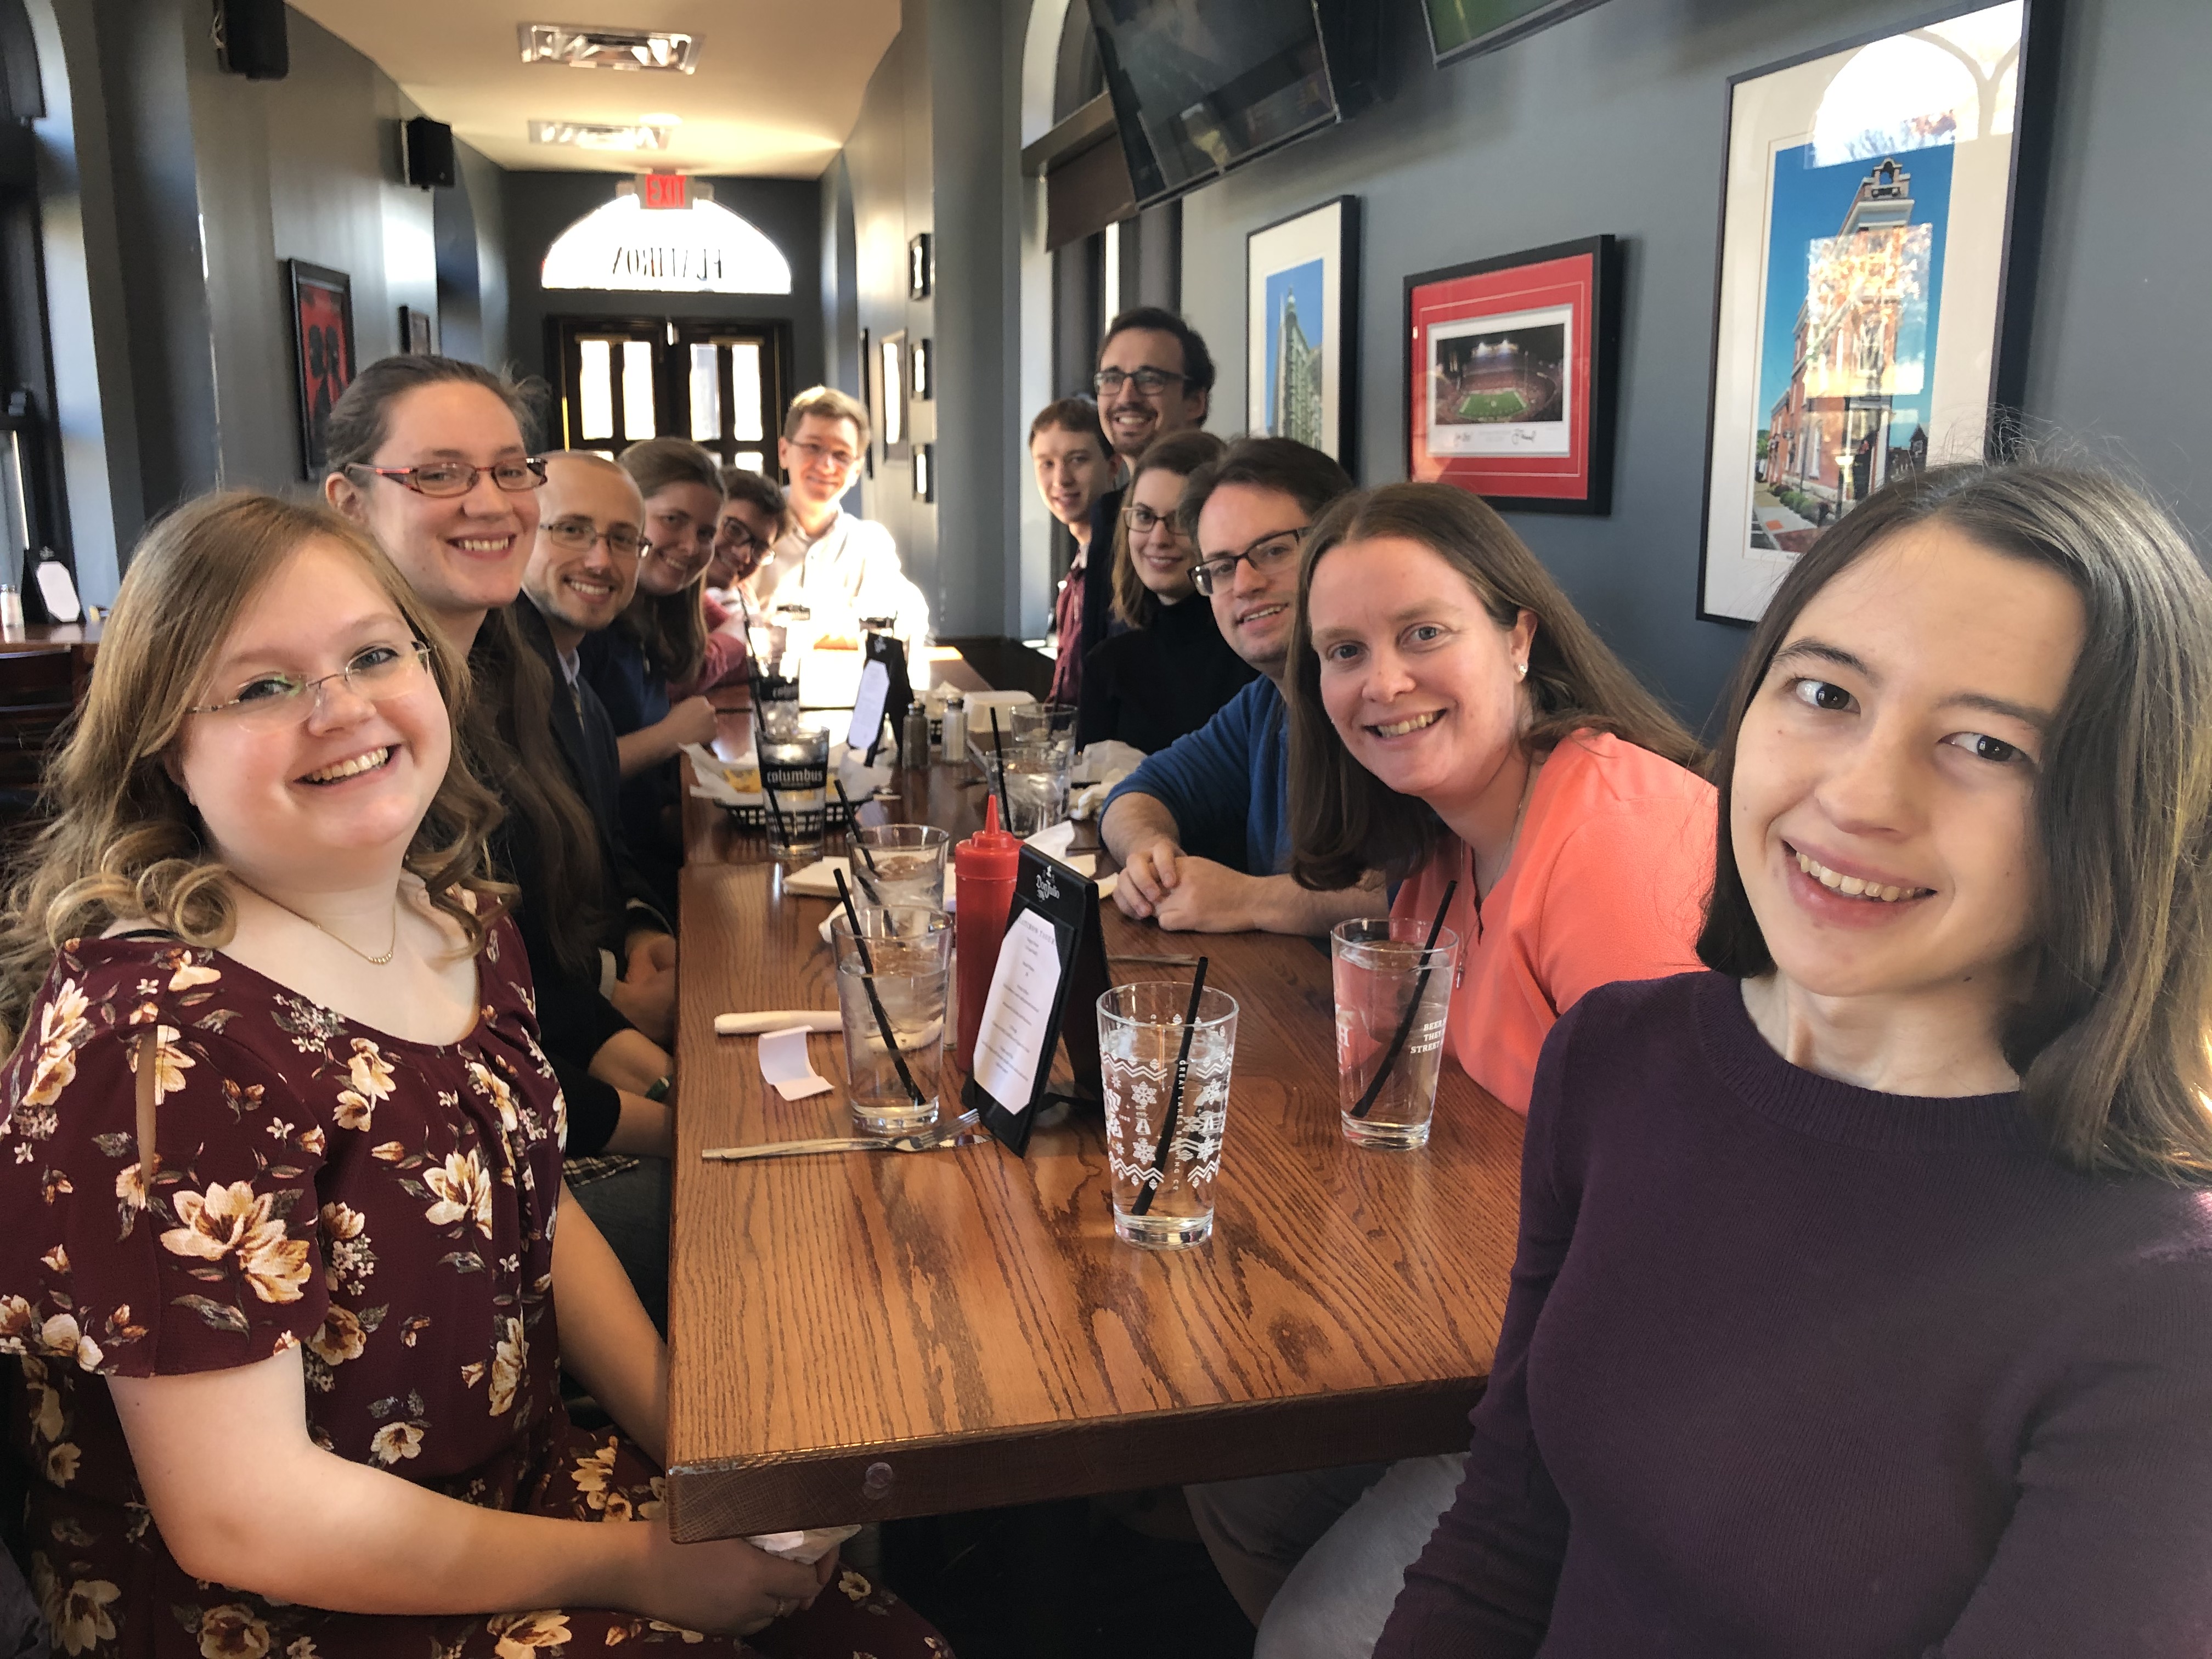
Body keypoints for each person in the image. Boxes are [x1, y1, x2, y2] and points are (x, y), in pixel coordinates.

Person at [0, 492, 946, 1655]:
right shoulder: (158, 1040)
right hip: (281, 1608)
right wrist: (644, 1565)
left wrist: (707, 1460)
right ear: (163, 745)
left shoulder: (457, 918)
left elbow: (538, 1212)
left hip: (511, 1491)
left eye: (373, 654)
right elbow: (243, 1518)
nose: (343, 709)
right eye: (262, 686)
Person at [1378, 461, 2212, 1656]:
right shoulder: (1614, 1059)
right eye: (1826, 692)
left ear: (2120, 815)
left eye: (1987, 744)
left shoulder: (2167, 1305)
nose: (1860, 796)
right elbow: (1505, 1537)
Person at [1183, 482, 1717, 1654]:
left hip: (1637, 1377)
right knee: (1232, 1477)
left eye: (1423, 632)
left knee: (1309, 1635)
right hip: (1487, 1320)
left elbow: (1689, 1234)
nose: (1382, 681)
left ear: (1519, 636)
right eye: (1343, 651)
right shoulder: (1438, 847)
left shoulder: (1612, 841)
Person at [323, 357, 678, 1313]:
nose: (489, 501)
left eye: (509, 469)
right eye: (440, 473)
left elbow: (529, 997)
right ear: (350, 502)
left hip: (519, 1139)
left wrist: (675, 1085)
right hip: (423, 1208)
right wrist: (680, 1123)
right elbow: (457, 1078)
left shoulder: (510, 672)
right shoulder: (356, 730)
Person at [1101, 437, 1381, 936]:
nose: (1245, 584)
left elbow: (1422, 890)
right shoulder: (1266, 703)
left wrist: (1246, 898)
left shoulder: (1392, 697)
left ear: (1340, 545)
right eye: (1222, 567)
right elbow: (1140, 791)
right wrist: (1149, 856)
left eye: (1272, 551)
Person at [577, 439, 729, 874]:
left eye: (706, 534)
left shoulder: (650, 625)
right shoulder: (588, 629)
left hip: (646, 860)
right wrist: (671, 735)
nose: (691, 546)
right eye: (673, 520)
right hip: (602, 875)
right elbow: (567, 771)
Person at [1076, 428, 1250, 751]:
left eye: (1181, 519)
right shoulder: (1108, 665)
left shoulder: (1255, 655)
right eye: (1144, 516)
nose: (1158, 538)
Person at [1078, 309, 1215, 674]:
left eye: (1150, 379)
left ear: (1195, 401)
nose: (1126, 395)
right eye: (1111, 379)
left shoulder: (1225, 510)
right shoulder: (1109, 514)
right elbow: (1093, 665)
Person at [746, 387, 929, 654]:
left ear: (856, 470)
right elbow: (729, 627)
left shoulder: (870, 544)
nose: (826, 466)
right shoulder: (746, 534)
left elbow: (908, 619)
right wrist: (846, 630)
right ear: (784, 452)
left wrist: (778, 631)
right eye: (813, 447)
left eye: (841, 455)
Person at [1028, 396, 1116, 706]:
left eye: (1078, 460)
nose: (1061, 479)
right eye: (1047, 464)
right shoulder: (1080, 565)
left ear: (1113, 465)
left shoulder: (1121, 566)